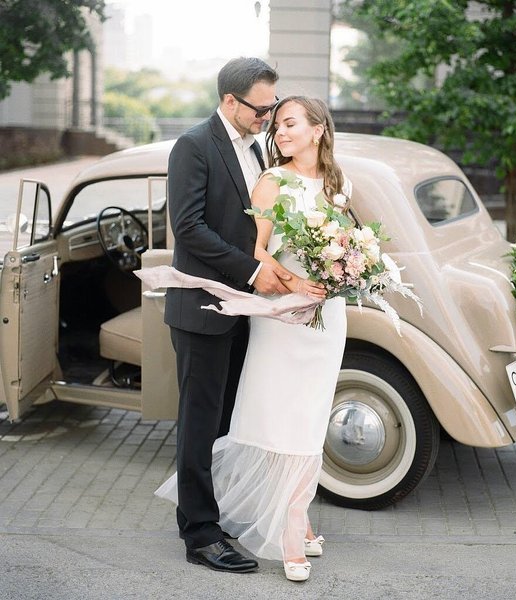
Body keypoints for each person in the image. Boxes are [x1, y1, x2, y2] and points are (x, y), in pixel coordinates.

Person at [156, 96, 351, 582]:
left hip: (327, 316)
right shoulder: (272, 179)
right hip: (282, 316)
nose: (278, 131)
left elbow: (351, 243)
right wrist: (297, 283)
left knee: (311, 418)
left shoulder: (339, 183)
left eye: (289, 123)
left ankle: (298, 513)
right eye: (275, 123)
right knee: (279, 418)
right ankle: (287, 527)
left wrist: (350, 270)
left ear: (318, 130)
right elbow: (256, 249)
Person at [164, 57, 295, 574]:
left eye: (272, 107)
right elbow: (189, 227)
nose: (268, 117)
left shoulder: (257, 146)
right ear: (229, 101)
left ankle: (217, 516)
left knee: (227, 422)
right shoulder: (193, 146)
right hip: (202, 309)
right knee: (199, 426)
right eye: (261, 109)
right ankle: (199, 535)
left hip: (245, 311)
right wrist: (252, 271)